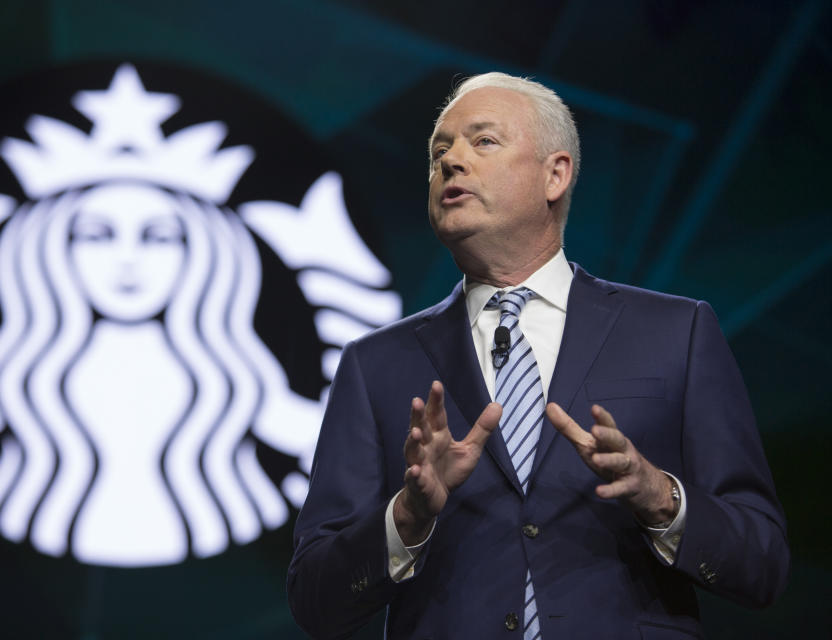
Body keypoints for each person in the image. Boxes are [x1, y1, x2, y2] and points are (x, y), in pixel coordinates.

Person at [287, 73, 789, 639]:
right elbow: (315, 599)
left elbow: (763, 562)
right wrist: (407, 517)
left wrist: (659, 496)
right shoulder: (373, 365)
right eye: (438, 151)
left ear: (556, 174)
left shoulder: (679, 333)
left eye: (483, 141)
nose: (451, 161)